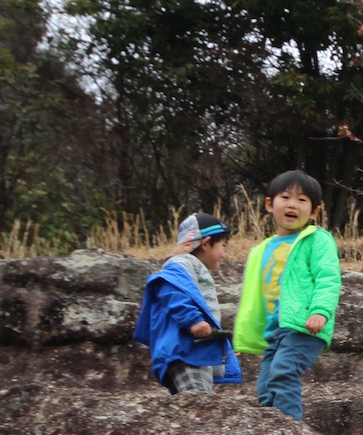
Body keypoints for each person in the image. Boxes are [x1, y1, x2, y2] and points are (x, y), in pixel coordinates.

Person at [233, 171, 342, 421]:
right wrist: (245, 336)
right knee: (265, 386)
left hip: (305, 326)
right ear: (270, 204)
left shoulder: (317, 240)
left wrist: (320, 311)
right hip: (276, 330)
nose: (293, 204)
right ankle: (272, 431)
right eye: (286, 197)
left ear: (315, 211)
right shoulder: (261, 249)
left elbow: (328, 278)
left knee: (283, 371)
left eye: (302, 200)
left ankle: (292, 432)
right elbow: (252, 298)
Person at [133, 212, 241, 395]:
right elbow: (170, 291)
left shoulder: (190, 266)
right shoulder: (182, 263)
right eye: (223, 246)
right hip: (187, 354)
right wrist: (194, 320)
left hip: (192, 352)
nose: (223, 255)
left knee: (193, 405)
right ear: (206, 243)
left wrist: (223, 351)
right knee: (198, 402)